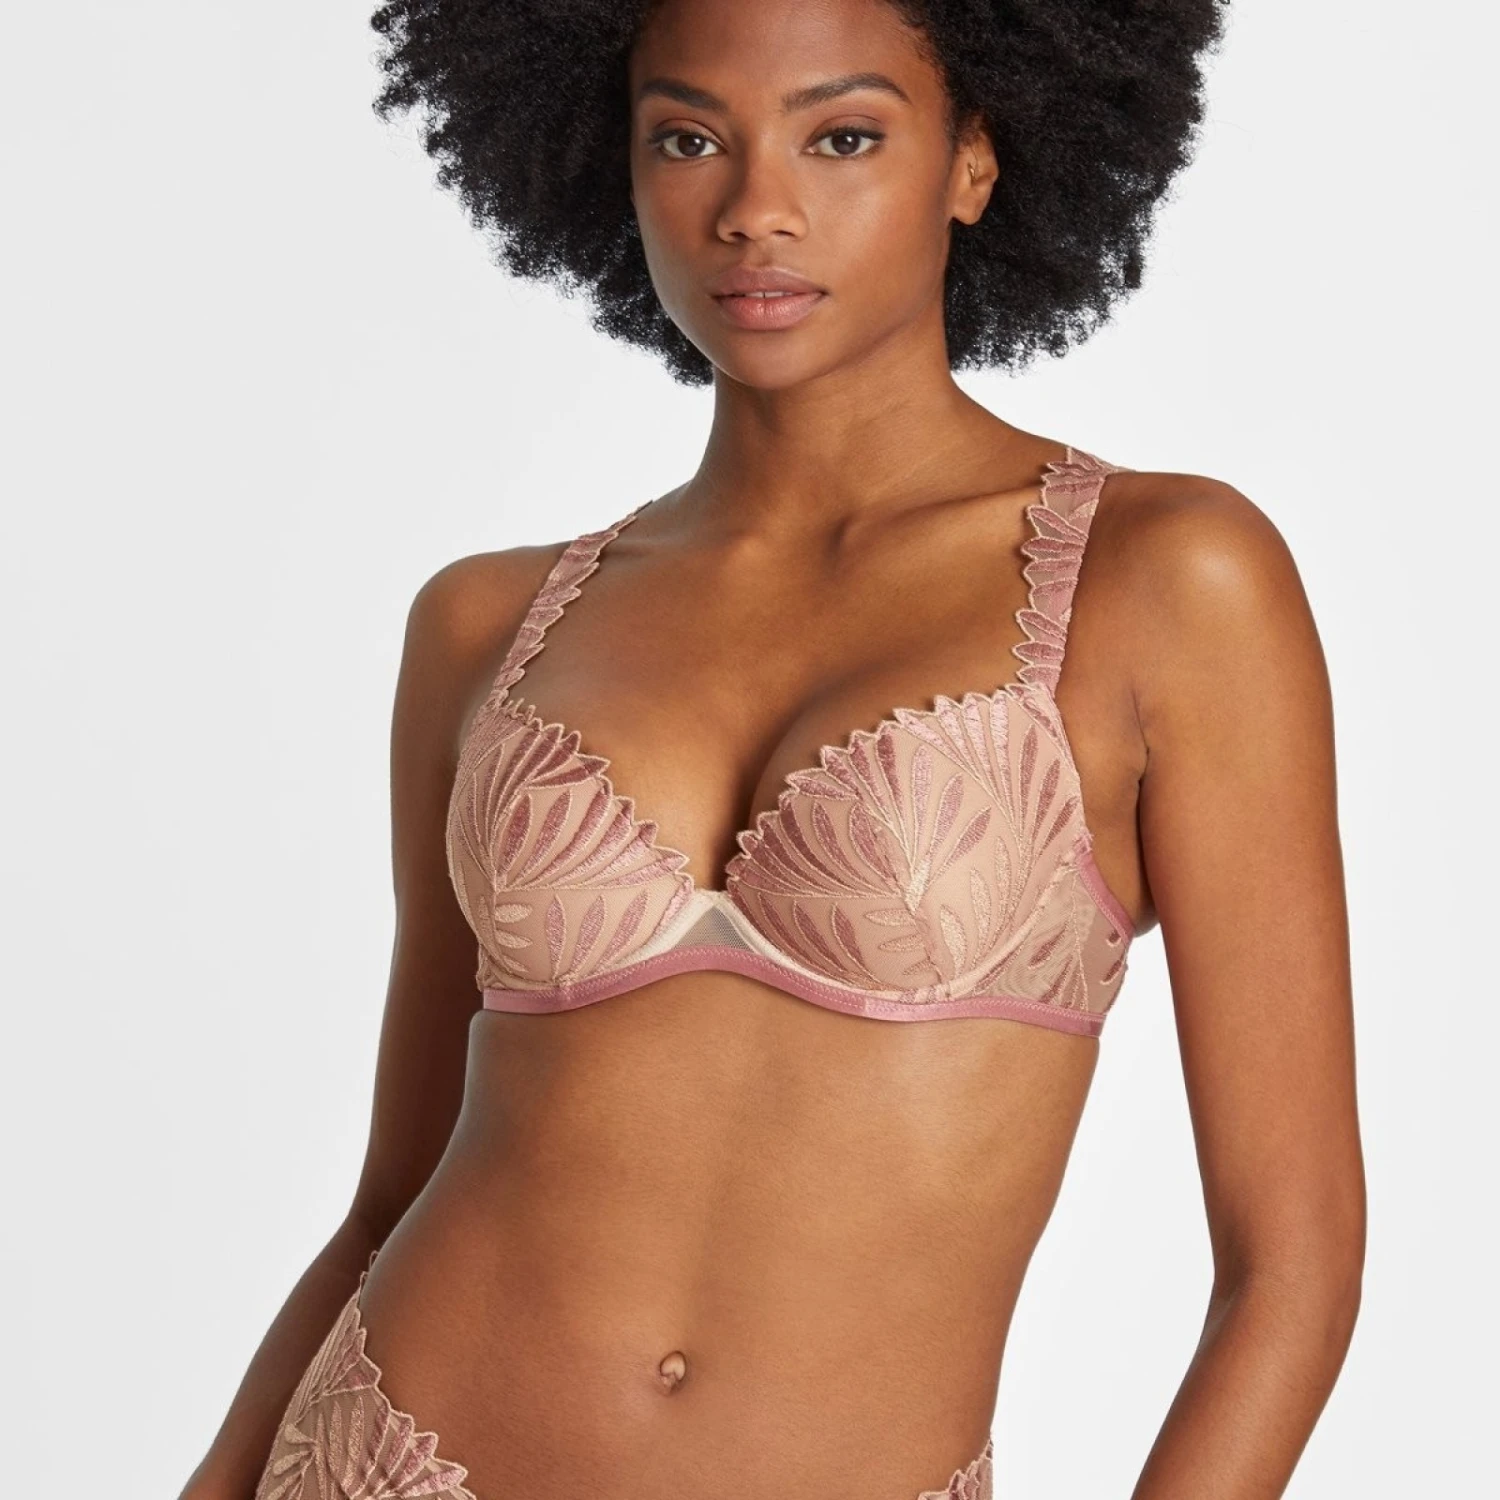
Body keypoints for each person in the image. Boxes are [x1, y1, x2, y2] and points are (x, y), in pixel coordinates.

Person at [180, 1, 1365, 1496]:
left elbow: (1290, 1263)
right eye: (689, 140)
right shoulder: (488, 624)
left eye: (843, 136)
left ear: (976, 159)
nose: (755, 209)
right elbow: (389, 1201)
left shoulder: (1167, 580)